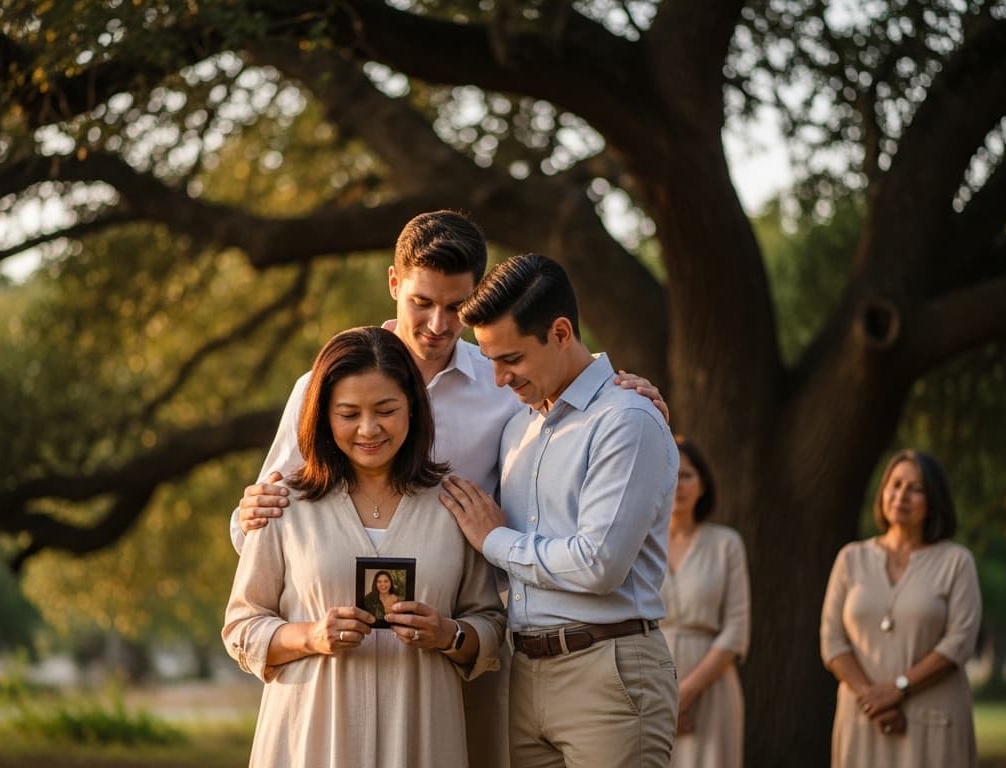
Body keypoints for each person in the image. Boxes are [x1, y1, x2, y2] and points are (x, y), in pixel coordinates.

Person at [229, 210, 667, 768]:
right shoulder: (321, 386)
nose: (438, 324)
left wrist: (624, 393)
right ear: (394, 284)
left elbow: (572, 399)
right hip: (329, 691)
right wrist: (249, 515)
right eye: (421, 302)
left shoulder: (503, 380)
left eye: (456, 306)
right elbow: (271, 533)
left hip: (468, 661)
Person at [222, 326, 505, 767]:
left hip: (422, 736)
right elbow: (242, 625)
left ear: (412, 408)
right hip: (311, 738)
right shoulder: (283, 504)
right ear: (323, 415)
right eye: (348, 413)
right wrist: (311, 637)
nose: (368, 429)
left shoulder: (453, 505)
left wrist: (448, 634)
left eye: (386, 409)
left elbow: (490, 623)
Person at [440, 253, 679, 768]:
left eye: (511, 359)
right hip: (524, 675)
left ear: (562, 332)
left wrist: (495, 541)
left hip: (609, 673)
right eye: (490, 361)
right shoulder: (517, 427)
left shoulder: (626, 420)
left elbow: (599, 564)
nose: (499, 379)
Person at [820, 449, 981, 768]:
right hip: (862, 716)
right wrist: (873, 699)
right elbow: (832, 640)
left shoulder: (956, 562)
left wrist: (898, 689)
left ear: (934, 499)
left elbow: (959, 642)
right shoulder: (851, 559)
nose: (901, 495)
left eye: (915, 488)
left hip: (933, 718)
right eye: (895, 485)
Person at [663, 437, 750, 768]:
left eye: (686, 475)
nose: (677, 485)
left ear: (703, 485)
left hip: (712, 688)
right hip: (649, 686)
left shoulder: (726, 544)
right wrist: (666, 698)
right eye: (669, 472)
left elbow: (736, 630)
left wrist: (686, 693)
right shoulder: (639, 545)